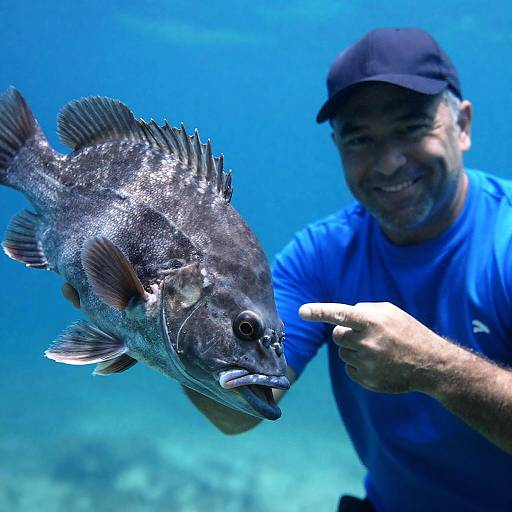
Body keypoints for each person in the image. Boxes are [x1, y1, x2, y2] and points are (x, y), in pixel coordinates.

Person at [62, 27, 512, 511]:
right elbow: (234, 416)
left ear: (462, 125)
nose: (386, 163)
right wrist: (150, 321)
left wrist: (436, 368)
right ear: (336, 144)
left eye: (411, 128)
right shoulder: (322, 254)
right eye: (359, 138)